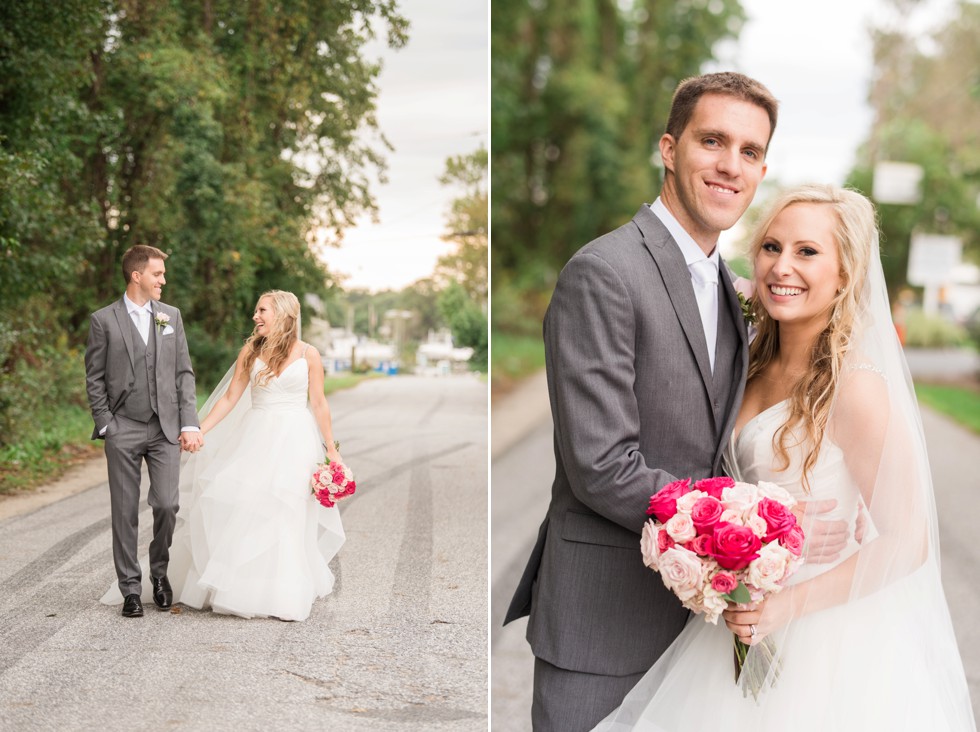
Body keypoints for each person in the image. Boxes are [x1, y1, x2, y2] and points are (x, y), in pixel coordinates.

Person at [504, 72, 853, 731]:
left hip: (704, 622)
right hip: (606, 616)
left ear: (762, 169)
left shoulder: (729, 288)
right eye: (712, 141)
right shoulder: (604, 273)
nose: (730, 165)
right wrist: (754, 529)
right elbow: (602, 464)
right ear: (669, 149)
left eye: (749, 152)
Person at [593, 185, 977, 730]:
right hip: (735, 616)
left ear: (846, 274)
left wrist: (784, 608)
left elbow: (908, 537)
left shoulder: (855, 388)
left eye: (808, 252)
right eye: (772, 247)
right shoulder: (744, 358)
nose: (782, 267)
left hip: (820, 632)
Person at [101, 290, 346, 622]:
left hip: (296, 439)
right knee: (249, 505)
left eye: (262, 311)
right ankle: (242, 587)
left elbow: (318, 403)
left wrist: (331, 451)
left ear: (283, 313)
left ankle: (283, 592)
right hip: (256, 436)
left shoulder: (309, 354)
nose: (255, 316)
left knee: (287, 510)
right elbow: (230, 398)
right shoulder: (251, 351)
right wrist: (198, 429)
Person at [85, 245, 203, 618]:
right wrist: (107, 424)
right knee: (124, 512)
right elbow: (94, 377)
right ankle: (131, 590)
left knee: (167, 504)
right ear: (137, 275)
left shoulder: (170, 317)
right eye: (157, 274)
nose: (163, 281)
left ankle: (160, 574)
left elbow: (183, 372)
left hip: (165, 427)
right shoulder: (104, 320)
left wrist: (188, 421)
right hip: (124, 427)